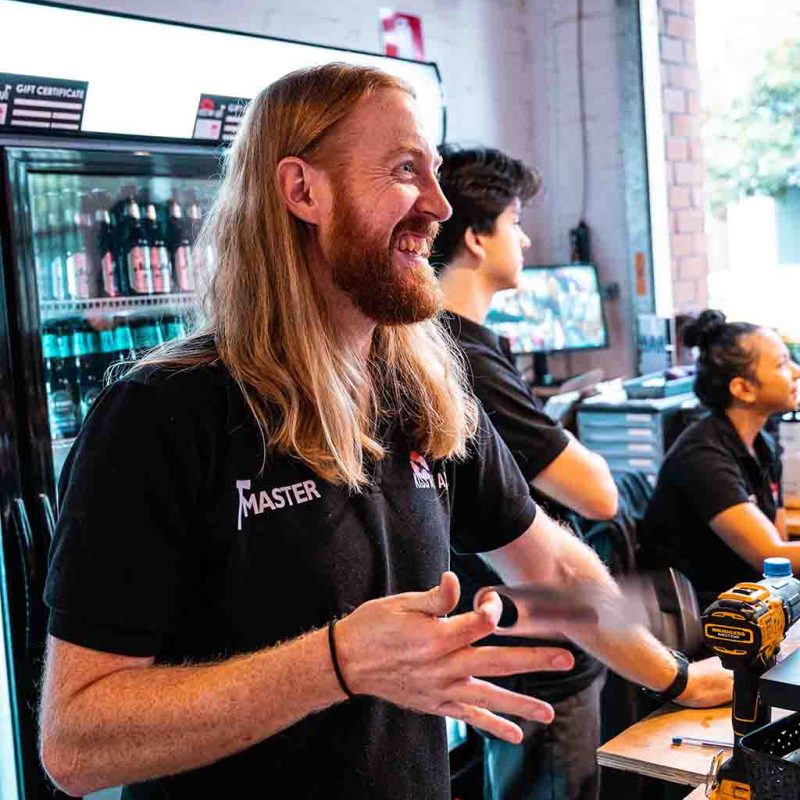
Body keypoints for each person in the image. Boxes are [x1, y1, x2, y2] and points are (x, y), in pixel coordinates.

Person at [39, 65, 731, 800]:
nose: (435, 206)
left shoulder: (420, 388)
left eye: (432, 172)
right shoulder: (163, 414)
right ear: (303, 191)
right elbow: (76, 743)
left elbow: (551, 566)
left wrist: (676, 676)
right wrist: (337, 663)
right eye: (405, 170)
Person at [434, 144, 618, 800]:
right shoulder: (464, 359)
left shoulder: (459, 346)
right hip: (532, 652)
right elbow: (598, 495)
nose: (527, 236)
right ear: (477, 238)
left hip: (519, 638)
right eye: (515, 221)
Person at [641, 309, 800, 611]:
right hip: (707, 616)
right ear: (743, 388)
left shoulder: (762, 444)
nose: (796, 371)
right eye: (782, 364)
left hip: (753, 599)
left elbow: (777, 538)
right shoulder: (702, 456)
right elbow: (771, 555)